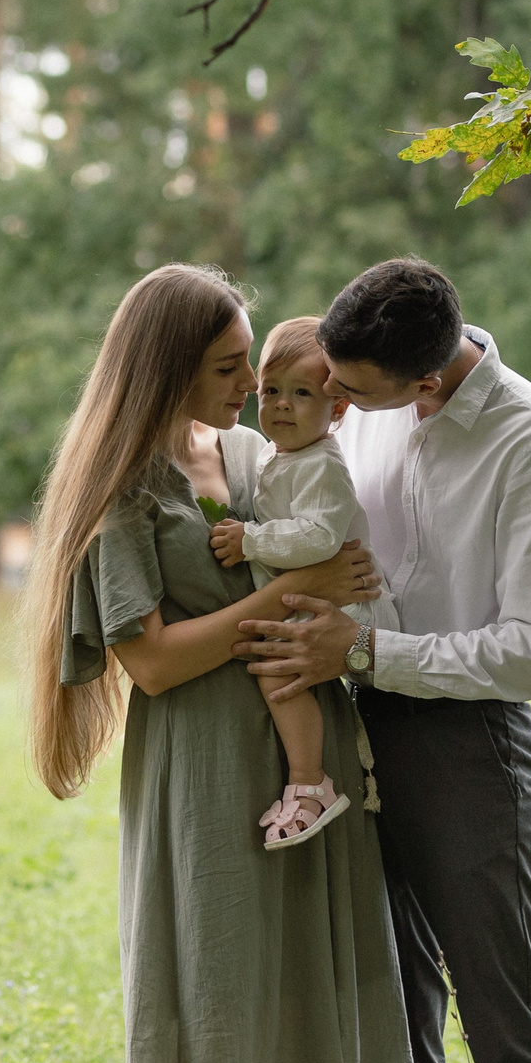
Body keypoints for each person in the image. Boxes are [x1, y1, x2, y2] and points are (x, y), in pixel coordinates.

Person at [20, 263, 429, 1063]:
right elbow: (152, 661)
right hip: (203, 766)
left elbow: (328, 537)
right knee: (207, 996)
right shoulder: (126, 491)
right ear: (166, 368)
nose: (249, 383)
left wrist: (333, 589)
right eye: (225, 365)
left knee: (300, 989)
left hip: (307, 767)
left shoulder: (244, 452)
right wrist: (296, 587)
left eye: (251, 361)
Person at [234, 255, 531, 1063]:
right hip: (357, 725)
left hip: (470, 746)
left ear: (426, 383)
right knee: (393, 1004)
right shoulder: (377, 403)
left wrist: (362, 647)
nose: (335, 405)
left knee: (501, 1010)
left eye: (353, 392)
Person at [205, 316, 372, 849]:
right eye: (271, 390)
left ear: (338, 408)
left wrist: (250, 540)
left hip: (340, 604)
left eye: (301, 393)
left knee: (279, 671)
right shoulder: (280, 456)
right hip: (309, 594)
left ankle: (310, 783)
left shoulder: (321, 465)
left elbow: (321, 538)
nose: (280, 404)